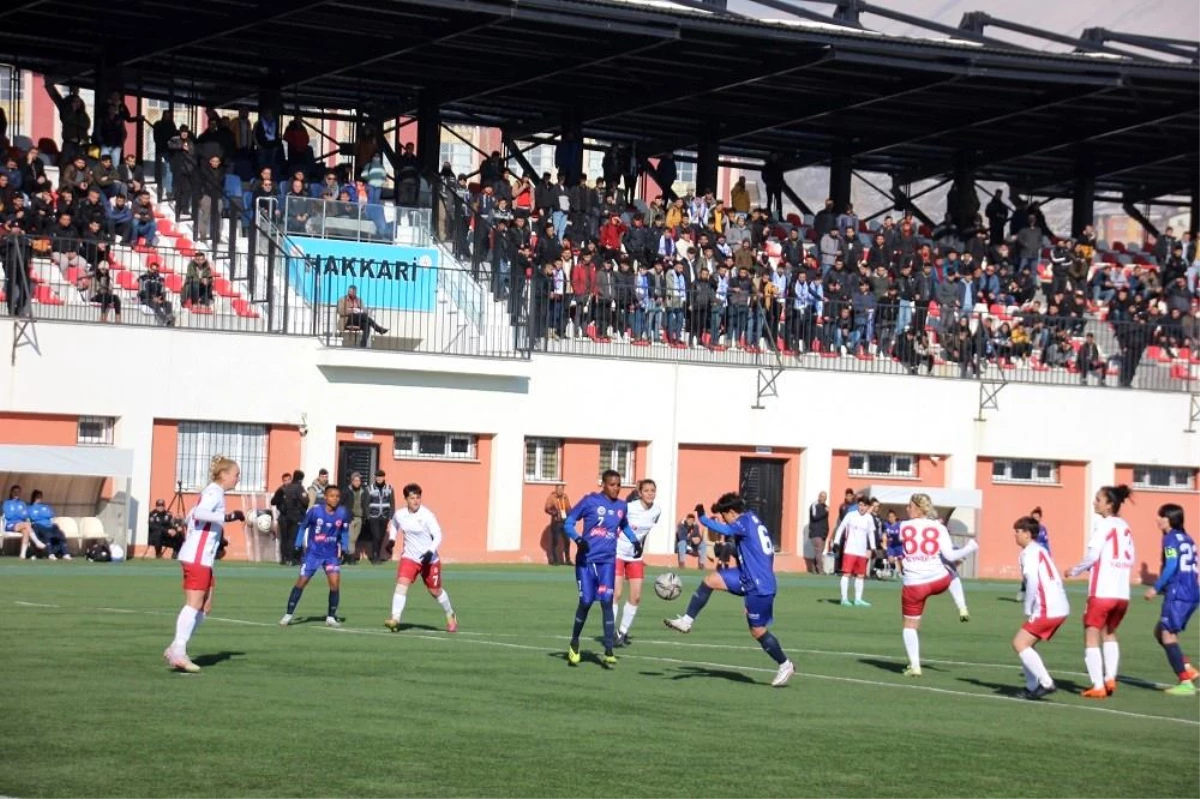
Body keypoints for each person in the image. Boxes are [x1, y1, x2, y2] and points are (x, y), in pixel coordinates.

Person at [664, 494, 795, 687]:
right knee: (710, 580)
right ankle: (686, 621)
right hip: (746, 575)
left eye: (725, 516)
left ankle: (785, 664)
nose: (725, 520)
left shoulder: (742, 522)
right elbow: (749, 547)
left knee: (757, 631)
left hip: (759, 585)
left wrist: (702, 518)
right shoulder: (751, 519)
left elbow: (723, 528)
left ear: (732, 512)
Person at [164, 456, 244, 673]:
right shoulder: (214, 492)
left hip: (203, 557)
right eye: (236, 474)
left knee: (206, 605)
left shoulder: (213, 492)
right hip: (197, 557)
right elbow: (199, 513)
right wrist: (226, 517)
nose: (238, 478)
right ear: (224, 474)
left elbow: (190, 517)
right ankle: (179, 650)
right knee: (194, 603)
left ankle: (175, 647)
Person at [562, 470, 641, 668]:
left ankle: (608, 649)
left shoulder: (622, 506)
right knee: (587, 601)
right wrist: (578, 539)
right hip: (586, 561)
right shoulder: (590, 501)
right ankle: (574, 642)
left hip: (607, 562)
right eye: (612, 484)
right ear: (603, 484)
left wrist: (634, 541)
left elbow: (624, 525)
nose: (616, 488)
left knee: (607, 601)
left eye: (618, 484)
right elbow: (569, 523)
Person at [1065, 485, 1135, 699]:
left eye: (1098, 499)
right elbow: (1130, 558)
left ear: (1109, 504)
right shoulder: (1125, 526)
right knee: (1109, 633)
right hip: (1122, 593)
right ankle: (1110, 677)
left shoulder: (1103, 525)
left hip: (1102, 591)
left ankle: (1097, 685)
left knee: (1091, 634)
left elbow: (1093, 556)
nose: (1094, 502)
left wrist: (1074, 570)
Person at [898, 493, 979, 677]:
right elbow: (950, 556)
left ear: (918, 508)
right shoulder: (938, 527)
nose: (907, 509)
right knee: (950, 569)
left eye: (910, 506)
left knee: (909, 626)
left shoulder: (902, 526)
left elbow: (897, 546)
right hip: (938, 581)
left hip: (914, 586)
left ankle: (915, 666)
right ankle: (961, 606)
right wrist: (970, 548)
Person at [384, 484, 457, 633]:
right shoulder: (400, 514)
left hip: (429, 560)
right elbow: (394, 524)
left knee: (435, 591)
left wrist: (430, 551)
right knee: (401, 584)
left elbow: (438, 535)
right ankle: (395, 618)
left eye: (418, 497)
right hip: (410, 558)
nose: (416, 501)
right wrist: (392, 539)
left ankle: (450, 613)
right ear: (406, 499)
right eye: (412, 498)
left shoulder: (427, 515)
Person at [1143, 503, 1200, 695]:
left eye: (1161, 516)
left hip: (1179, 593)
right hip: (1192, 592)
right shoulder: (1187, 538)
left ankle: (1185, 682)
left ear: (1170, 519)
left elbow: (1172, 565)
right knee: (1160, 631)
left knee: (1167, 635)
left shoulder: (1169, 539)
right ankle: (1187, 668)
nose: (1157, 519)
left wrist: (1155, 587)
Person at [1011, 516, 1069, 700]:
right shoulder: (1040, 549)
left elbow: (1034, 581)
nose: (1015, 535)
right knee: (1027, 644)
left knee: (1019, 643)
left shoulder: (1029, 552)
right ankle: (1031, 686)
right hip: (1057, 604)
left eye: (1018, 531)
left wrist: (1028, 607)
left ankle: (1045, 683)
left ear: (1027, 534)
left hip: (1047, 606)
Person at [280, 485, 350, 627]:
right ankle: (288, 614)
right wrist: (298, 544)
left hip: (330, 554)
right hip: (313, 553)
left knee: (335, 584)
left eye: (337, 496)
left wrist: (344, 547)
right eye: (332, 496)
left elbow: (344, 531)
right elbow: (303, 526)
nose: (335, 499)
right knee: (301, 582)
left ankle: (330, 617)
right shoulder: (315, 511)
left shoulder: (343, 513)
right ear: (325, 497)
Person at [613, 479, 662, 648]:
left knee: (636, 596)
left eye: (653, 490)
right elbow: (616, 523)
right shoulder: (629, 507)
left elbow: (645, 532)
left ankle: (622, 632)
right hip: (618, 552)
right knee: (616, 593)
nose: (650, 493)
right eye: (646, 490)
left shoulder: (656, 511)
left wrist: (640, 547)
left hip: (635, 556)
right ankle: (611, 631)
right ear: (639, 493)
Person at [829, 494, 876, 607]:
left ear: (868, 506)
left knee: (860, 575)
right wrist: (836, 542)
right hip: (850, 549)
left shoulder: (869, 518)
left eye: (865, 505)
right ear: (857, 505)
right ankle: (844, 599)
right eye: (860, 504)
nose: (862, 507)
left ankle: (858, 599)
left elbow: (871, 533)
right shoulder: (851, 515)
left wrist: (873, 547)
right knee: (847, 574)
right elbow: (841, 528)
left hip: (862, 551)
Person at [1017, 506, 1051, 601]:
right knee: (1028, 575)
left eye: (1037, 517)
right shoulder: (1028, 530)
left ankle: (1039, 595)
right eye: (1033, 518)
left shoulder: (1043, 529)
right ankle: (1023, 589)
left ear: (1040, 518)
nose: (1035, 519)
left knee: (1041, 576)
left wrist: (1048, 555)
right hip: (1031, 556)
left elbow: (1046, 543)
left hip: (1040, 557)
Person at [276, 470, 309, 566]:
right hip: (296, 516)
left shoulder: (286, 488)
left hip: (286, 516)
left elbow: (278, 502)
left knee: (286, 538)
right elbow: (305, 501)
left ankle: (285, 558)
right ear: (301, 479)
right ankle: (293, 558)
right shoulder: (299, 488)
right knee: (294, 538)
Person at [3, 484, 44, 560]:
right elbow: (9, 516)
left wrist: (17, 513)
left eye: (18, 492)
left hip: (21, 525)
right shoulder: (7, 503)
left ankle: (22, 555)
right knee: (26, 524)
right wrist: (19, 514)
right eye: (15, 491)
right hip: (10, 524)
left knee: (25, 531)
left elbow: (25, 515)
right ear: (11, 492)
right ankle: (37, 542)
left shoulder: (22, 503)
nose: (16, 493)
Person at [363, 470, 395, 564]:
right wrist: (367, 516)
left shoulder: (389, 488)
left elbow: (392, 502)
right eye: (377, 477)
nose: (379, 478)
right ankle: (375, 556)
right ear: (375, 478)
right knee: (376, 536)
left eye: (381, 477)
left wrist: (391, 515)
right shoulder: (370, 488)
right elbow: (366, 504)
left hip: (384, 516)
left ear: (384, 477)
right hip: (373, 517)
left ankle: (377, 554)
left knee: (381, 536)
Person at [27, 490, 70, 560]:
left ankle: (65, 553)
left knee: (61, 533)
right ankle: (50, 554)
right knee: (47, 534)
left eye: (40, 496)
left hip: (49, 526)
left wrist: (53, 524)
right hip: (39, 526)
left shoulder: (46, 507)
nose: (39, 498)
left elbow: (51, 518)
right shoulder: (30, 508)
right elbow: (30, 520)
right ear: (33, 497)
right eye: (37, 496)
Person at [543, 483, 572, 566]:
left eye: (562, 489)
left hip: (565, 522)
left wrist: (569, 514)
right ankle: (554, 560)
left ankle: (568, 560)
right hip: (556, 521)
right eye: (558, 489)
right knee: (555, 541)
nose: (560, 491)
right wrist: (555, 513)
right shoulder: (552, 497)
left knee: (567, 541)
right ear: (556, 489)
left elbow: (569, 507)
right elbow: (547, 508)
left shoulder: (565, 497)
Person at [807, 491, 829, 574]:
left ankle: (813, 567)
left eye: (825, 497)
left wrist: (826, 531)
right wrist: (825, 512)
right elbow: (814, 517)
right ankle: (820, 570)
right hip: (816, 532)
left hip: (823, 533)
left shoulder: (825, 507)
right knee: (819, 551)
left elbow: (825, 521)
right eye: (822, 496)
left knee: (819, 551)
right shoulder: (814, 505)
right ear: (819, 496)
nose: (823, 498)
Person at [883, 510, 902, 577]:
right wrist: (884, 544)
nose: (891, 518)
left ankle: (901, 572)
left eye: (892, 517)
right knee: (891, 560)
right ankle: (893, 571)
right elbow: (884, 535)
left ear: (895, 517)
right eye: (889, 517)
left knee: (901, 561)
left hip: (899, 546)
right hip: (891, 546)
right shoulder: (886, 525)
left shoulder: (900, 525)